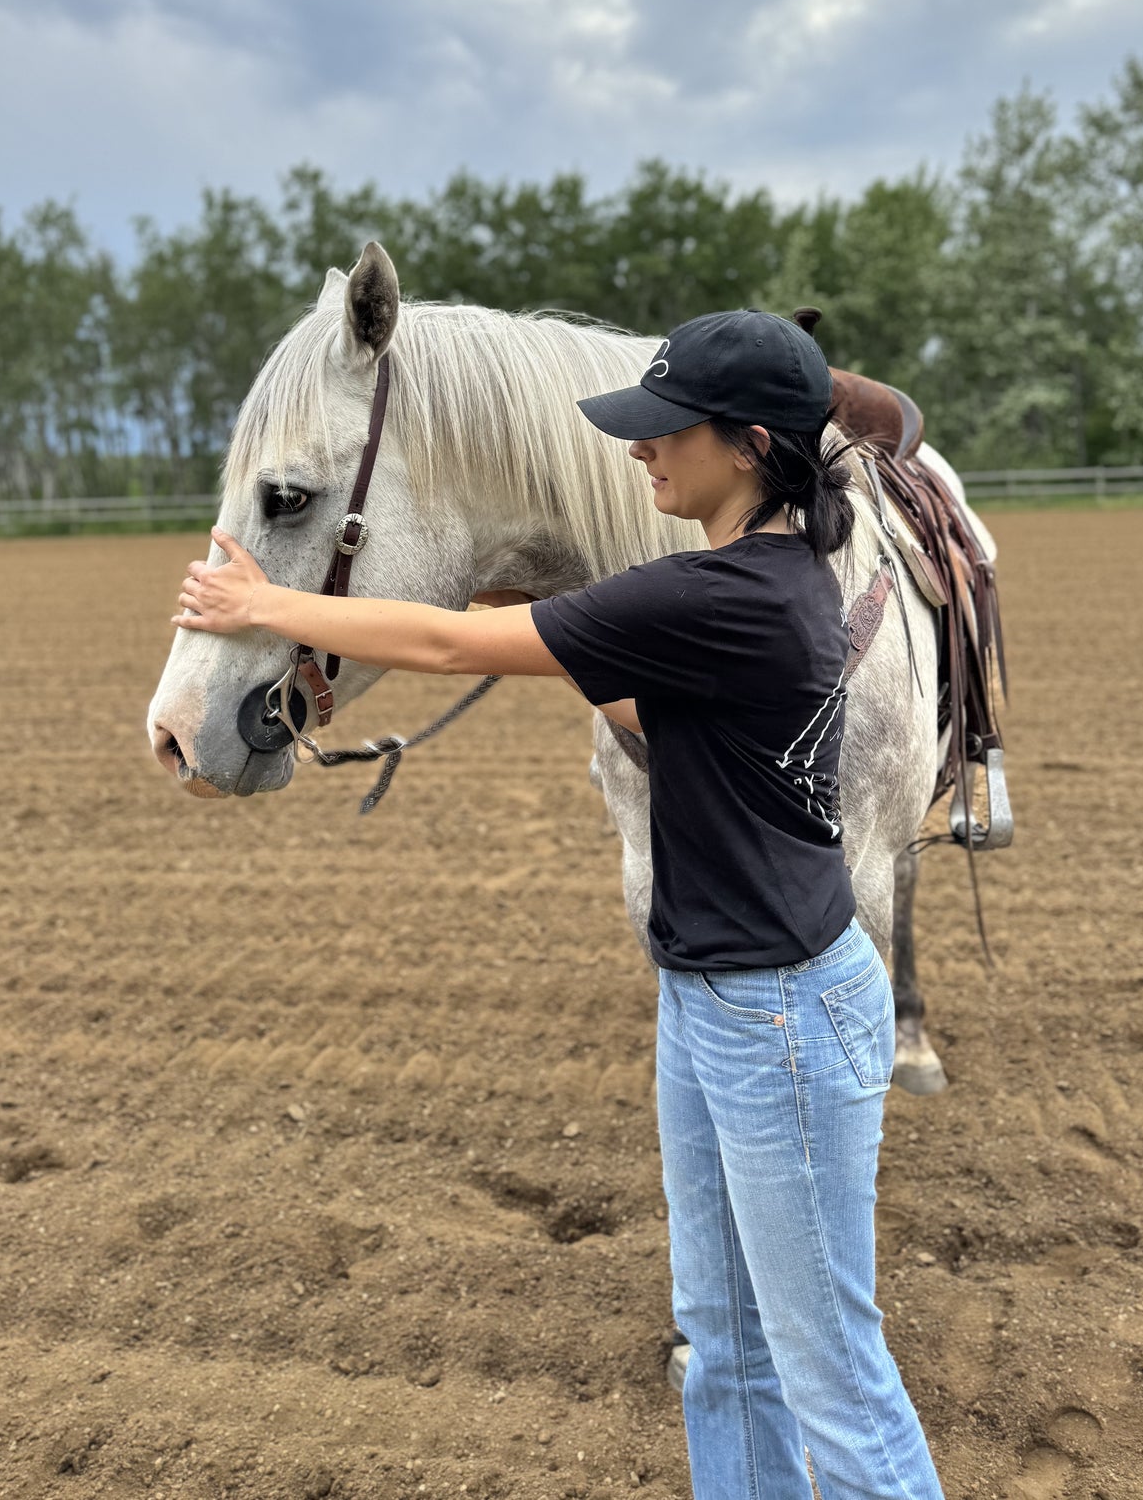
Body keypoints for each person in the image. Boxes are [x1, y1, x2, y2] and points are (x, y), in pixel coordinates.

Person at [174, 308, 945, 1500]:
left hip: (777, 1022)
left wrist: (264, 610)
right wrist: (535, 637)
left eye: (661, 433)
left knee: (831, 1375)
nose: (637, 452)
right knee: (721, 1349)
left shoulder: (721, 595)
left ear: (743, 445)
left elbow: (441, 643)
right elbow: (639, 706)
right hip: (710, 1001)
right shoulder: (755, 584)